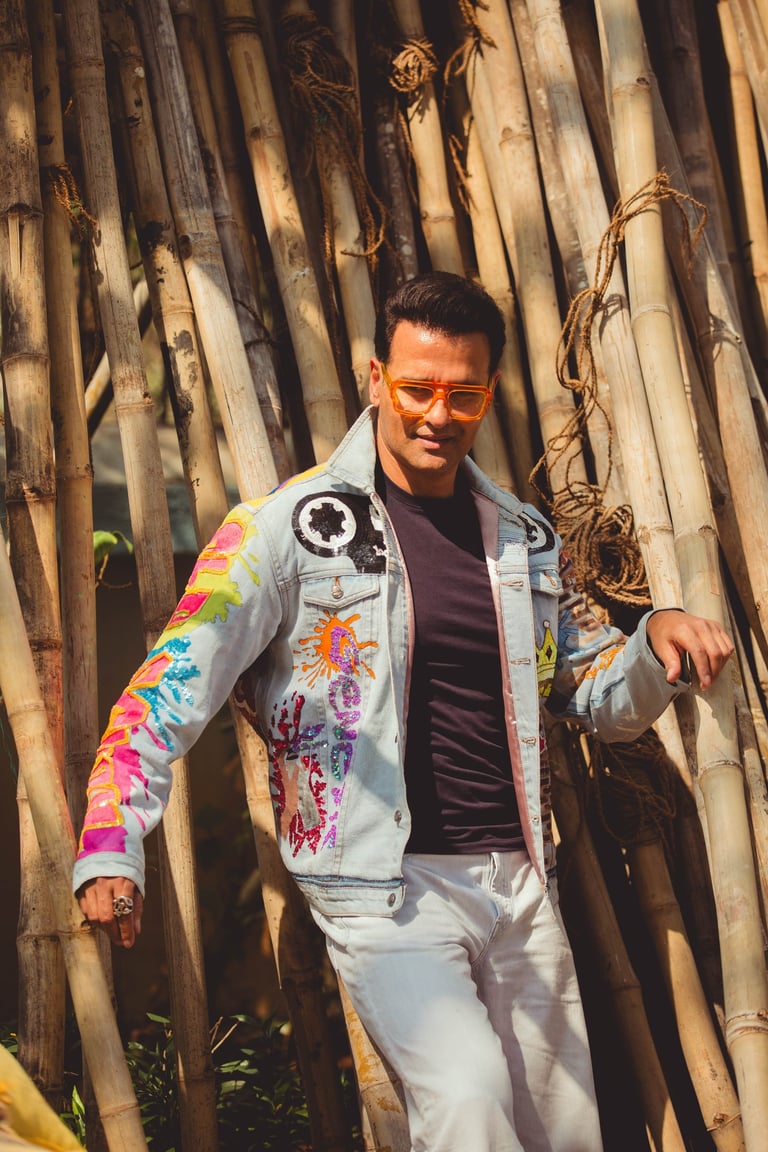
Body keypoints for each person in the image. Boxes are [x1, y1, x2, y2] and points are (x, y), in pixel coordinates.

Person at [75, 272, 733, 1152]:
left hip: (519, 883)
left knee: (565, 1134)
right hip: (384, 890)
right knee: (466, 1102)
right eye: (418, 389)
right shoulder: (286, 529)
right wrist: (110, 841)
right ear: (375, 377)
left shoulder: (523, 539)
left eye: (464, 395)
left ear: (488, 392)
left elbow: (597, 696)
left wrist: (653, 643)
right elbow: (166, 690)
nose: (438, 415)